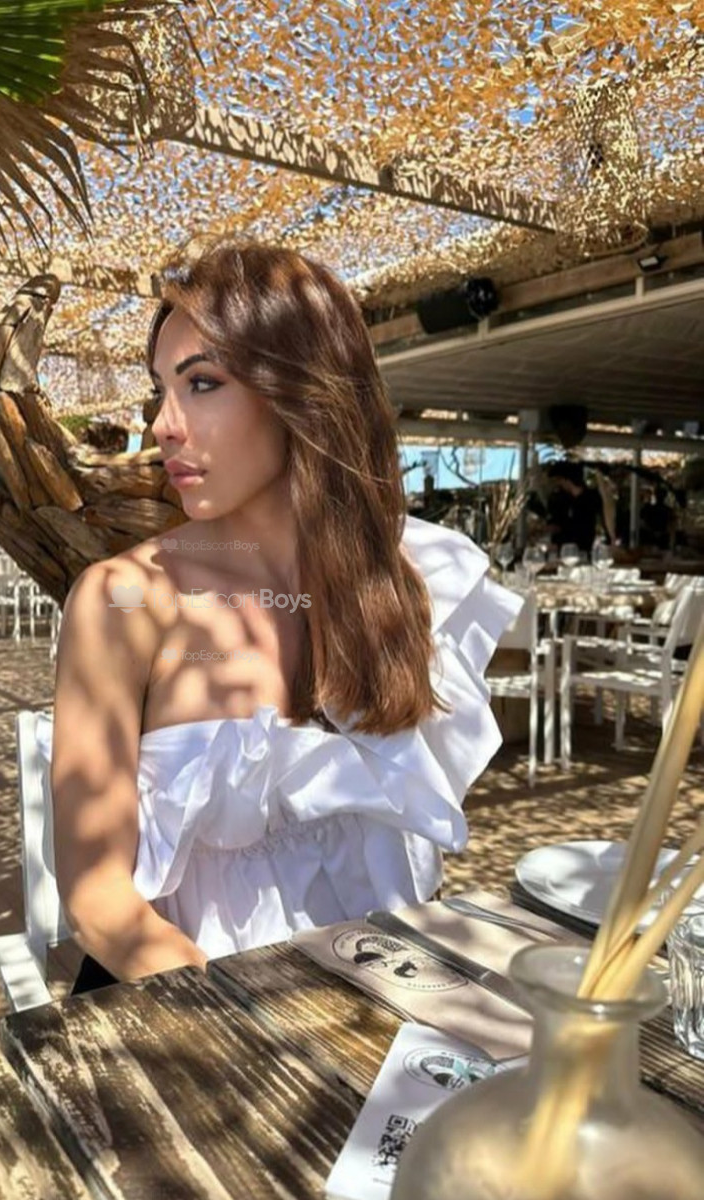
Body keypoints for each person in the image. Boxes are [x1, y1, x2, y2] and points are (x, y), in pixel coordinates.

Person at [42, 242, 521, 994]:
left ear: (301, 392)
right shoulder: (126, 600)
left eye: (202, 383)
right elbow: (98, 898)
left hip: (377, 993)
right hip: (192, 1008)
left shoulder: (402, 580)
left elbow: (400, 849)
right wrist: (258, 1030)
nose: (163, 424)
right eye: (162, 390)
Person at [543, 461, 604, 555]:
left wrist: (559, 545)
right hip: (559, 551)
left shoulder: (589, 499)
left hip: (580, 552)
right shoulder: (563, 499)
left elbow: (584, 531)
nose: (559, 484)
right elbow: (561, 524)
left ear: (566, 479)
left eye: (559, 480)